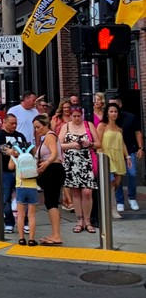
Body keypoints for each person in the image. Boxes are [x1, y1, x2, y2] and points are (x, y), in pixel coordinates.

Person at [60, 105, 100, 234]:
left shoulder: (89, 125)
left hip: (86, 162)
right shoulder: (65, 127)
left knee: (87, 192)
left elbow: (99, 143)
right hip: (72, 163)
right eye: (74, 116)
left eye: (79, 116)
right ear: (70, 116)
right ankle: (79, 220)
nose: (77, 118)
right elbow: (58, 144)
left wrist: (90, 144)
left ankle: (88, 221)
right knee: (76, 193)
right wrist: (71, 145)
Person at [108, 93, 144, 213]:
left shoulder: (130, 117)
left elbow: (138, 132)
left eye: (116, 107)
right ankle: (119, 201)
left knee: (132, 173)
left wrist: (140, 148)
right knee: (118, 175)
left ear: (120, 105)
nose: (114, 111)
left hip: (130, 149)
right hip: (114, 152)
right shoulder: (108, 122)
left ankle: (132, 197)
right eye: (111, 107)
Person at [0, 113, 29, 233]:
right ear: (5, 122)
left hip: (21, 171)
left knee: (23, 197)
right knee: (5, 198)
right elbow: (4, 150)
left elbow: (26, 149)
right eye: (11, 123)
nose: (14, 126)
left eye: (15, 123)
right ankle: (9, 222)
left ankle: (25, 221)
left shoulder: (20, 135)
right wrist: (15, 152)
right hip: (5, 171)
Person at [33, 114, 65, 245]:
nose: (36, 130)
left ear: (46, 125)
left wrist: (45, 164)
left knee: (51, 202)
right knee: (51, 202)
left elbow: (54, 154)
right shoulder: (47, 137)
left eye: (38, 127)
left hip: (53, 170)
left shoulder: (50, 136)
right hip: (52, 170)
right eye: (35, 128)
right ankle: (55, 233)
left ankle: (56, 235)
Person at [97, 102, 131, 221]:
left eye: (115, 111)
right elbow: (98, 142)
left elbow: (122, 144)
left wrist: (127, 157)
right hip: (107, 157)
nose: (113, 114)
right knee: (110, 185)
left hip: (118, 157)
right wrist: (102, 157)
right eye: (111, 111)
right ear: (107, 113)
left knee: (116, 184)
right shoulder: (102, 126)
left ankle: (106, 204)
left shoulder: (119, 129)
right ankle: (112, 208)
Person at [7, 140, 39, 247]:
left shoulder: (16, 159)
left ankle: (21, 238)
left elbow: (10, 167)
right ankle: (31, 239)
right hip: (32, 188)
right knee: (32, 215)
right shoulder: (33, 158)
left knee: (20, 215)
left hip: (20, 187)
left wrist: (12, 154)